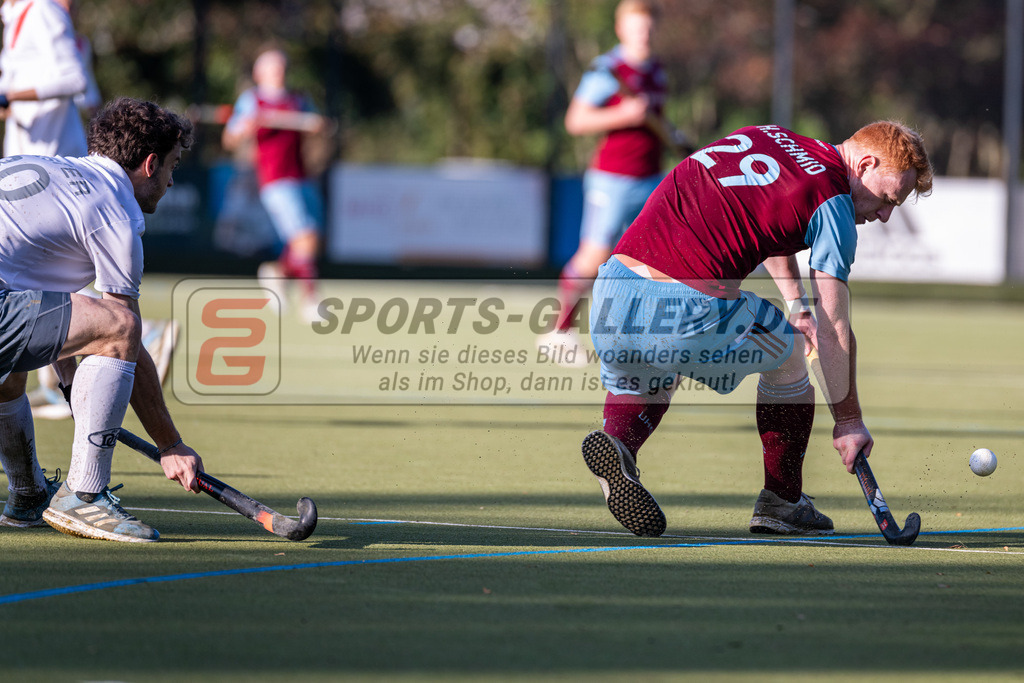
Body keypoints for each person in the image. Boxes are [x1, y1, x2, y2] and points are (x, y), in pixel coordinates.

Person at [581, 120, 933, 537]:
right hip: (685, 310)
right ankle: (782, 502)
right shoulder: (834, 201)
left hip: (611, 295)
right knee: (788, 357)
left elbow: (771, 232)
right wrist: (849, 420)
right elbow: (834, 325)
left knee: (650, 365)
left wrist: (796, 303)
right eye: (888, 198)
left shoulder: (772, 136)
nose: (886, 215)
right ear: (866, 164)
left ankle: (620, 446)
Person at [0, 97, 203, 542]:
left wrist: (73, 385)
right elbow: (119, 332)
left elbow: (44, 300)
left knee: (9, 370)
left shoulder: (46, 168)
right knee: (122, 327)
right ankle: (85, 497)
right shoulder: (114, 208)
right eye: (171, 167)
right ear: (150, 164)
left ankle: (29, 494)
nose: (170, 182)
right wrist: (169, 443)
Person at [0, 0, 177, 419]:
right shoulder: (24, 18)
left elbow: (74, 79)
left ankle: (128, 341)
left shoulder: (41, 10)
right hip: (42, 175)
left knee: (104, 310)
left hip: (51, 173)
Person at [538, 0, 689, 367]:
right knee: (593, 256)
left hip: (651, 177)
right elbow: (575, 121)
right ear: (621, 29)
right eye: (637, 27)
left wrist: (676, 139)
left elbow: (656, 121)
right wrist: (621, 114)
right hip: (612, 179)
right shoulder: (607, 70)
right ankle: (559, 332)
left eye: (649, 27)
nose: (644, 34)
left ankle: (638, 339)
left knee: (646, 260)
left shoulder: (658, 71)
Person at [221, 48, 326, 319]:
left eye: (282, 67)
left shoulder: (298, 99)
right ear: (259, 73)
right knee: (305, 236)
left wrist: (316, 124)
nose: (280, 73)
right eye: (273, 68)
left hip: (301, 175)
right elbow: (230, 137)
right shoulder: (252, 100)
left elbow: (317, 124)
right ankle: (309, 301)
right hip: (274, 179)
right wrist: (243, 128)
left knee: (308, 240)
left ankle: (278, 272)